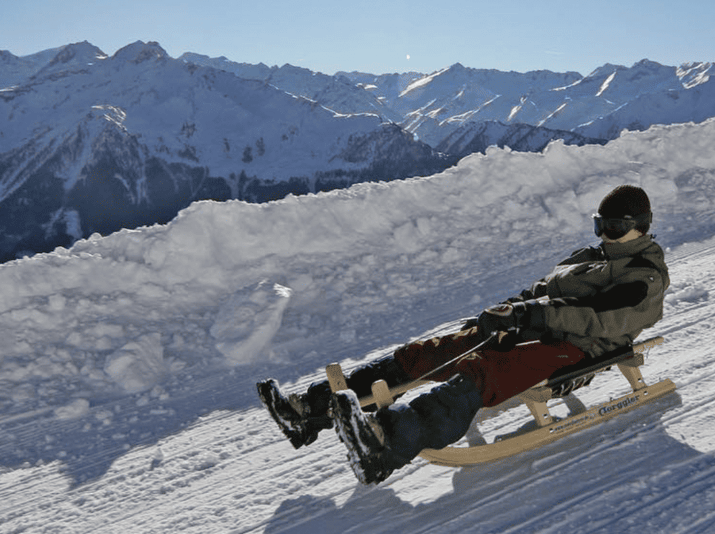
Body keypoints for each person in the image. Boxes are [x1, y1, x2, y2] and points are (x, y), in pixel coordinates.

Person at [258, 184, 670, 484]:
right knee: (430, 352)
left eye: (614, 226)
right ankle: (310, 410)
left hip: (577, 349)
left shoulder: (642, 276)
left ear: (641, 226)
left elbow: (595, 316)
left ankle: (386, 445)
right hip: (538, 327)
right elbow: (539, 291)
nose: (604, 234)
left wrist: (528, 316)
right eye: (600, 224)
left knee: (482, 370)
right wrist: (505, 312)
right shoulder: (589, 256)